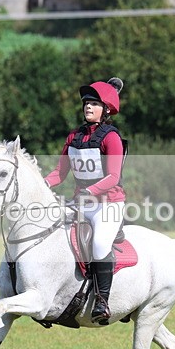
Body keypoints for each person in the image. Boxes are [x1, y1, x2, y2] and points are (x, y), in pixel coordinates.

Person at [44, 77, 127, 325]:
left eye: (94, 104)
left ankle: (102, 302)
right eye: (86, 104)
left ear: (107, 109)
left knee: (101, 244)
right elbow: (59, 174)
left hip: (108, 204)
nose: (88, 107)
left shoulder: (111, 138)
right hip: (80, 203)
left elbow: (113, 176)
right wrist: (40, 185)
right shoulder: (73, 137)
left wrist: (90, 190)